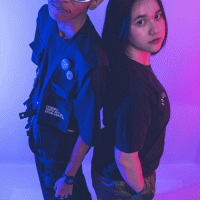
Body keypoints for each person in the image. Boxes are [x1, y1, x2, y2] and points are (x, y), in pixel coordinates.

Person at [19, 0, 108, 199]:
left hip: (62, 155)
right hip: (38, 135)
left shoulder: (92, 62)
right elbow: (41, 69)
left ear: (94, 2)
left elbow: (87, 132)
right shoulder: (45, 16)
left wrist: (69, 178)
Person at [91, 0, 170, 199]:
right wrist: (142, 191)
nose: (155, 29)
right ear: (122, 27)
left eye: (157, 16)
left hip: (117, 175)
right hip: (122, 183)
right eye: (141, 22)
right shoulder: (137, 91)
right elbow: (125, 159)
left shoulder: (127, 66)